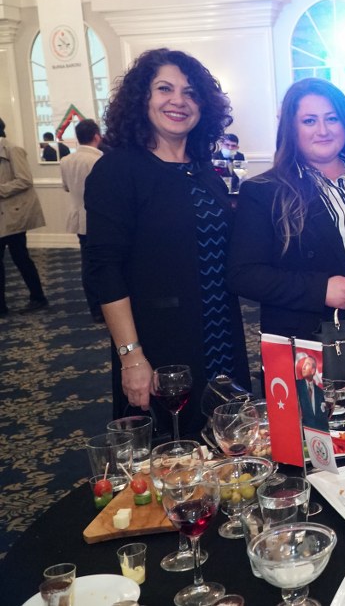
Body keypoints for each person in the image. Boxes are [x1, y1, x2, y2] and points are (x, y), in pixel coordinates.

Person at [85, 48, 251, 436]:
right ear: (142, 98)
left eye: (190, 93)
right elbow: (104, 270)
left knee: (230, 442)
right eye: (165, 89)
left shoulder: (202, 169)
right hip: (162, 344)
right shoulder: (117, 169)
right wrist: (131, 356)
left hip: (221, 333)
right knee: (175, 452)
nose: (178, 100)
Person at [227, 77, 345, 392]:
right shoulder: (265, 191)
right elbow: (242, 275)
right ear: (291, 128)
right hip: (311, 348)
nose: (323, 130)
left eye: (332, 118)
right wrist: (320, 288)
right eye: (309, 121)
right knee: (322, 424)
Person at [0, 116, 48, 315]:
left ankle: (38, 297)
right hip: (4, 215)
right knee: (18, 258)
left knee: (20, 258)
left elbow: (25, 179)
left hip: (14, 215)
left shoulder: (12, 150)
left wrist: (1, 189)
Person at [61, 118, 104, 322]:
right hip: (99, 218)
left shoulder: (66, 160)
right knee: (104, 264)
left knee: (87, 263)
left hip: (79, 218)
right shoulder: (100, 160)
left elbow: (66, 187)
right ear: (96, 136)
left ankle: (95, 308)